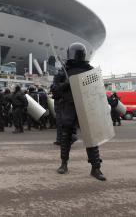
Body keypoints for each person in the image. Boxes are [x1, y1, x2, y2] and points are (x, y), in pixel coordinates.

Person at [52, 42, 106, 181]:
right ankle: (64, 164)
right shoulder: (63, 71)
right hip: (69, 108)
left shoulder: (90, 71)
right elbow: (55, 91)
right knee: (65, 137)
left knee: (91, 139)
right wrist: (66, 84)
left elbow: (98, 91)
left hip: (86, 108)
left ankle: (96, 168)